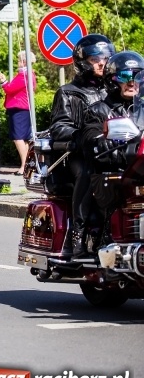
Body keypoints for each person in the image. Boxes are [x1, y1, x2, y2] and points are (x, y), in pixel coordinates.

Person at [49, 33, 115, 257]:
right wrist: (82, 137)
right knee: (89, 172)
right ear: (82, 62)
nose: (101, 63)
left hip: (111, 151)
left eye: (106, 58)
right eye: (95, 59)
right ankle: (78, 233)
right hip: (77, 155)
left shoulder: (113, 92)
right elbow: (59, 127)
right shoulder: (68, 92)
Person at [80, 51, 144, 256]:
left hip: (141, 170)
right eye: (125, 76)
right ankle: (106, 238)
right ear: (111, 80)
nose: (132, 82)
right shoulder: (99, 110)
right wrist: (119, 148)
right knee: (115, 189)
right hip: (113, 171)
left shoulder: (142, 109)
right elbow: (91, 142)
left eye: (138, 76)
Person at [0, 50, 37, 175]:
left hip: (19, 108)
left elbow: (10, 89)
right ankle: (26, 165)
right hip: (24, 108)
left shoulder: (24, 76)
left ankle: (24, 166)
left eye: (19, 60)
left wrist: (3, 81)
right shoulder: (30, 74)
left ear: (24, 61)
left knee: (18, 138)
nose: (17, 62)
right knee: (24, 139)